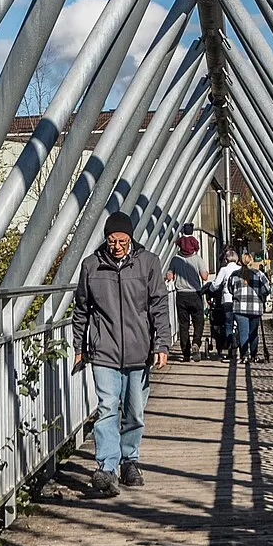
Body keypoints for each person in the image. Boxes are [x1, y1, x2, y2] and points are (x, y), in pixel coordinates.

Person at [73, 213, 171, 497]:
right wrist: (79, 348)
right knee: (106, 408)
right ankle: (106, 467)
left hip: (139, 351)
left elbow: (158, 307)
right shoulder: (91, 266)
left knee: (134, 411)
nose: (116, 246)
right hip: (104, 350)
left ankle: (130, 461)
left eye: (122, 241)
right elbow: (81, 310)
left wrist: (161, 345)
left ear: (130, 239)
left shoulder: (148, 263)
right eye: (112, 240)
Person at [166, 231, 207, 362]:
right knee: (198, 322)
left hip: (181, 295)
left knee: (183, 325)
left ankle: (186, 354)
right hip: (195, 294)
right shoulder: (198, 259)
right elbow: (205, 276)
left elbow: (169, 276)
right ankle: (196, 342)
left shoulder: (175, 259)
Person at [225, 251, 270, 366]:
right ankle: (254, 355)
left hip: (239, 308)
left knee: (243, 332)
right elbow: (267, 289)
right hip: (255, 308)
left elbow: (230, 289)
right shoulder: (259, 274)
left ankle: (244, 356)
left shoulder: (235, 275)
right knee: (253, 333)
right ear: (251, 261)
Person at [206, 249, 241, 354]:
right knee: (238, 323)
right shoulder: (241, 269)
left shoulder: (224, 270)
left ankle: (230, 343)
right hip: (239, 300)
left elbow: (216, 285)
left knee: (228, 323)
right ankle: (237, 342)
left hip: (227, 300)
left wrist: (210, 289)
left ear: (226, 259)